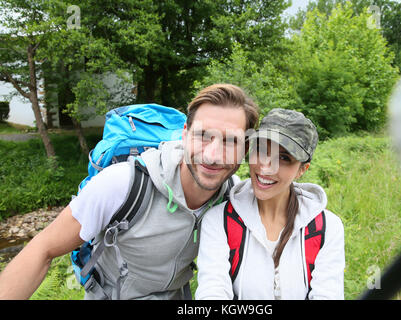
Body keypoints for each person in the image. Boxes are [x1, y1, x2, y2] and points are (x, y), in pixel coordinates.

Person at [0, 83, 259, 300]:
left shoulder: (233, 195)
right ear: (184, 135)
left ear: (244, 149)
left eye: (230, 141)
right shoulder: (123, 184)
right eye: (204, 136)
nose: (213, 155)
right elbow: (43, 248)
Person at [195, 108, 345, 300]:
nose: (266, 167)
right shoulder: (219, 221)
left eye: (284, 158)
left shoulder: (326, 228)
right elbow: (212, 292)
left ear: (302, 169)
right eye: (261, 150)